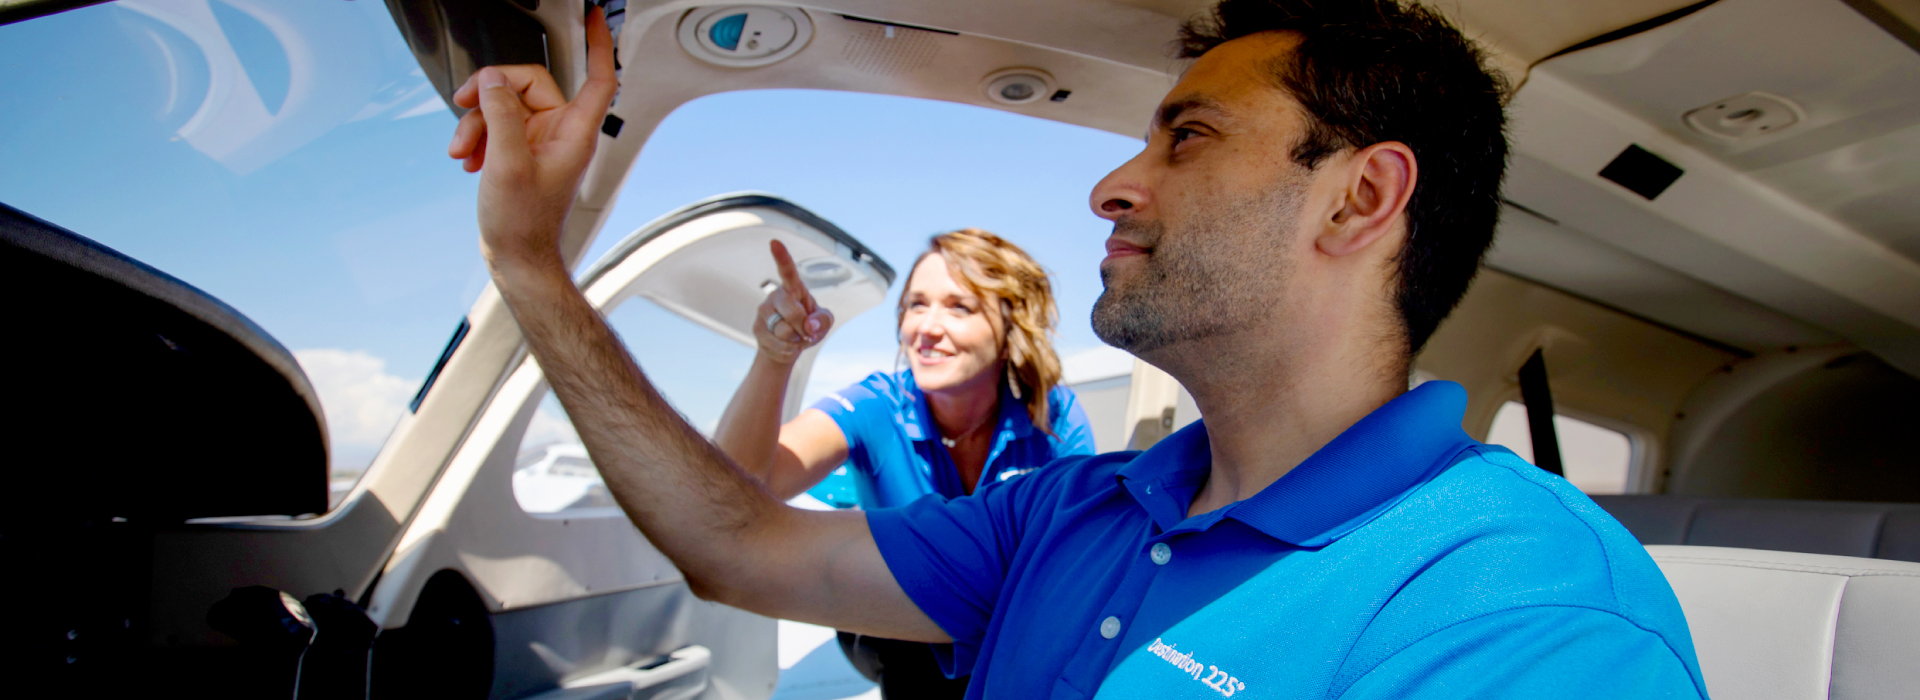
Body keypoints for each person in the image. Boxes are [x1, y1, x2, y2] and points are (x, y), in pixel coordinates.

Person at [448, 1, 1710, 698]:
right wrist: (529, 260)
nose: (1112, 183)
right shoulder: (1073, 510)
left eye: (1188, 137)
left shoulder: (1530, 608)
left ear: (1360, 199)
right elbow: (733, 540)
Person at [711, 230, 1096, 697]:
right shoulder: (877, 405)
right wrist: (774, 358)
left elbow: (1079, 560)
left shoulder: (1052, 417)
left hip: (1003, 626)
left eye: (960, 307)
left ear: (1011, 325)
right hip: (895, 630)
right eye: (916, 305)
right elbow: (738, 486)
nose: (927, 328)